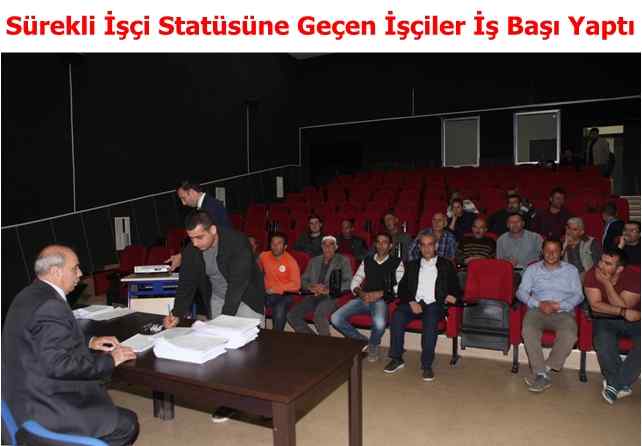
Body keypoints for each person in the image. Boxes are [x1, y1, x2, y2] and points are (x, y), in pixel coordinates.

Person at [1, 245, 139, 446]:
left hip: (22, 396)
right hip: (44, 406)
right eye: (75, 268)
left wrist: (90, 341)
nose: (80, 274)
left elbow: (44, 337)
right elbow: (59, 365)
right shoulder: (50, 305)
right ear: (56, 272)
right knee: (127, 424)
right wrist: (110, 360)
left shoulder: (28, 294)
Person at [163, 211, 265, 424]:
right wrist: (177, 314)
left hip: (245, 295)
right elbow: (186, 284)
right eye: (191, 238)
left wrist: (223, 322)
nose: (195, 243)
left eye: (199, 237)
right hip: (218, 297)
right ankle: (230, 402)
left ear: (213, 230)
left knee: (252, 350)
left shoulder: (237, 242)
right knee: (223, 353)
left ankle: (263, 401)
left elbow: (237, 285)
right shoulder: (193, 249)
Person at [384, 234, 460, 381]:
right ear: (419, 247)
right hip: (415, 303)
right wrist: (411, 301)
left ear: (436, 246)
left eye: (430, 244)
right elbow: (402, 289)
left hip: (434, 304)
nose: (426, 248)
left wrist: (453, 296)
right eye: (423, 245)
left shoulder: (446, 265)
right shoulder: (412, 265)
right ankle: (397, 358)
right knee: (397, 315)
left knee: (430, 320)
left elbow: (455, 287)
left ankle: (426, 365)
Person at [517, 240, 584, 392]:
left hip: (562, 311)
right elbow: (521, 292)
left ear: (561, 252)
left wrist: (559, 305)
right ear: (542, 251)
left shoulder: (571, 270)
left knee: (569, 334)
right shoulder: (532, 269)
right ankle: (541, 373)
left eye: (555, 251)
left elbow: (578, 295)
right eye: (548, 250)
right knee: (528, 330)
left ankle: (543, 370)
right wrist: (538, 303)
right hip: (537, 310)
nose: (551, 254)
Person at [331, 233, 404, 362]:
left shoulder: (397, 262)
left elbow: (400, 286)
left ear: (390, 246)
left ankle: (374, 344)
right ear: (375, 244)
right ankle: (362, 341)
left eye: (385, 242)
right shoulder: (367, 260)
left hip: (381, 300)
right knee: (335, 318)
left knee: (380, 323)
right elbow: (355, 280)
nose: (381, 245)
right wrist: (360, 293)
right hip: (363, 298)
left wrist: (379, 294)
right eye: (378, 242)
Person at [583, 249, 640, 404]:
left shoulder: (634, 277)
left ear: (620, 269)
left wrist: (606, 284)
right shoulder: (592, 274)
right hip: (605, 318)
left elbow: (625, 306)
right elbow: (595, 306)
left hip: (636, 319)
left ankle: (615, 384)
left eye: (607, 263)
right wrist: (622, 311)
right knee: (602, 340)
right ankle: (621, 384)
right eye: (601, 260)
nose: (601, 266)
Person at [287, 236, 352, 336]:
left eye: (331, 245)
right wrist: (311, 287)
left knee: (319, 316)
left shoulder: (343, 260)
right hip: (313, 294)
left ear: (336, 247)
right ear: (321, 247)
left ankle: (325, 343)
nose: (327, 247)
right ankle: (313, 340)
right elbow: (303, 279)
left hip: (330, 296)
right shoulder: (314, 261)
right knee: (292, 315)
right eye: (325, 245)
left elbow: (348, 282)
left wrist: (328, 289)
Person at [166, 180, 232, 271]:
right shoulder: (209, 205)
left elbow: (208, 239)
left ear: (192, 192)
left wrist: (182, 256)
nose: (183, 203)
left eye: (183, 198)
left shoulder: (210, 207)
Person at [258, 232, 301, 331]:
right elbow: (256, 269)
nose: (275, 246)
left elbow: (296, 285)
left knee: (279, 308)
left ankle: (277, 335)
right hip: (266, 293)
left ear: (285, 246)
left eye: (279, 243)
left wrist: (275, 289)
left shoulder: (291, 262)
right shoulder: (264, 256)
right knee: (251, 301)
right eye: (273, 243)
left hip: (284, 294)